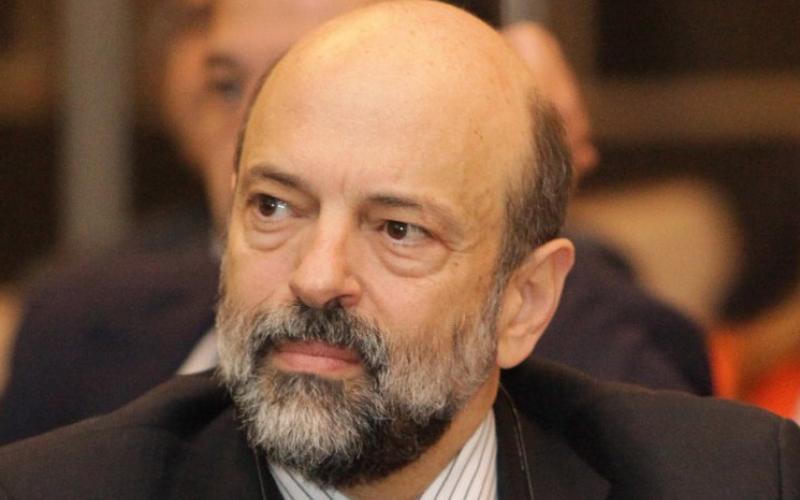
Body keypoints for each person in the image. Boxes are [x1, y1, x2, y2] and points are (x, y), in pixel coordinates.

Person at [0, 3, 796, 498]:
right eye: (275, 207)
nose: (317, 278)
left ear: (523, 303)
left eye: (398, 230)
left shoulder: (732, 480)